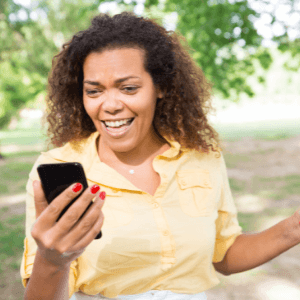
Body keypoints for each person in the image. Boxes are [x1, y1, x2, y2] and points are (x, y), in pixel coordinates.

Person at [20, 11, 300, 300]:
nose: (110, 105)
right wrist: (53, 260)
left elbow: (224, 254)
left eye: (128, 88)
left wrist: (294, 228)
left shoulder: (202, 159)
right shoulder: (58, 167)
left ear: (161, 87)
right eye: (94, 91)